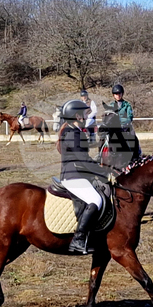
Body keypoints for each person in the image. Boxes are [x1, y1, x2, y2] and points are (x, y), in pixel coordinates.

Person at [57, 99, 109, 255]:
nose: (87, 117)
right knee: (96, 200)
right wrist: (103, 173)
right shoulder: (72, 133)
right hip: (73, 177)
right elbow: (83, 159)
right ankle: (78, 240)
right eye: (84, 115)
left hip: (79, 174)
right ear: (77, 116)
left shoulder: (73, 131)